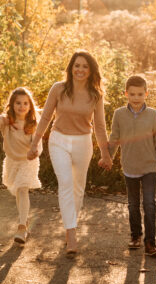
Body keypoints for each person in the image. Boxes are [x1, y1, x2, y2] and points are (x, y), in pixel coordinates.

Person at [28, 50, 113, 257]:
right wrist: (35, 144)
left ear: (91, 70)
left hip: (83, 142)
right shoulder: (59, 89)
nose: (80, 69)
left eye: (85, 66)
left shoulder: (96, 94)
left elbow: (100, 126)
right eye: (77, 65)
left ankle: (70, 224)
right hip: (59, 141)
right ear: (71, 68)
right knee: (65, 183)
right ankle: (71, 233)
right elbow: (46, 117)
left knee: (78, 188)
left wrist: (105, 153)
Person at [108, 75, 156, 257]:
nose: (136, 98)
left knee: (149, 204)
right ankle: (136, 235)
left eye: (140, 94)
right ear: (126, 94)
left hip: (150, 166)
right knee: (133, 204)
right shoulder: (119, 114)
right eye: (132, 94)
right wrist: (108, 157)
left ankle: (150, 242)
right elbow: (114, 138)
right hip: (129, 166)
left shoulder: (153, 115)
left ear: (146, 94)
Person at [0, 87, 43, 244]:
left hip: (28, 161)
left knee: (22, 189)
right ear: (12, 105)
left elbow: (38, 143)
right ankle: (24, 220)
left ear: (30, 106)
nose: (22, 106)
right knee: (17, 192)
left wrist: (35, 151)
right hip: (12, 161)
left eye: (25, 103)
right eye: (18, 103)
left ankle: (22, 228)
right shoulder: (6, 120)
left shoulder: (34, 122)